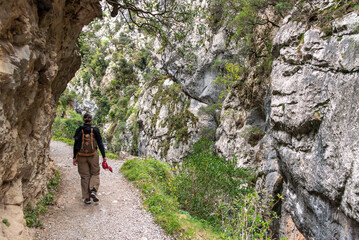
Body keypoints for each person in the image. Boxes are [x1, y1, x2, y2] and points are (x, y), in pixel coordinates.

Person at [73, 113, 107, 204]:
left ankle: (86, 198)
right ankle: (93, 190)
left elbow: (76, 145)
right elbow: (100, 143)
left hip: (81, 155)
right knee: (95, 173)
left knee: (84, 176)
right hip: (93, 155)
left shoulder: (79, 130)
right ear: (91, 120)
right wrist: (104, 156)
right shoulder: (95, 130)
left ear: (83, 120)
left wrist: (74, 157)